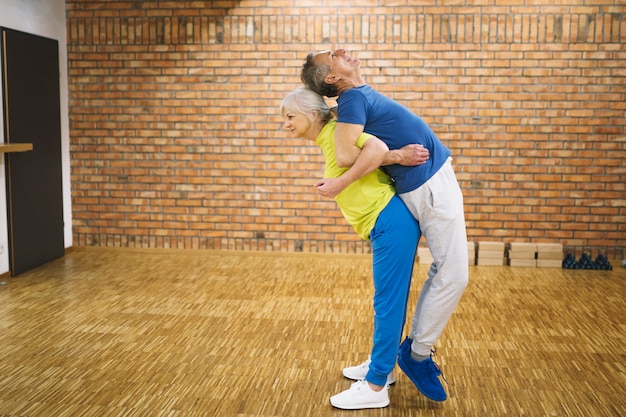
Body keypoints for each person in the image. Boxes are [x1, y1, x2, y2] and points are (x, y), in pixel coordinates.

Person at [301, 48, 469, 402]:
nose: (341, 50)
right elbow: (346, 153)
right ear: (332, 77)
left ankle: (394, 360)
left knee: (447, 272)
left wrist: (395, 155)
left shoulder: (355, 98)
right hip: (429, 186)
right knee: (454, 273)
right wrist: (396, 156)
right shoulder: (351, 100)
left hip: (431, 182)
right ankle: (417, 353)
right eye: (332, 54)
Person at [280, 87, 422, 410]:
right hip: (384, 224)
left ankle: (375, 386)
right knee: (389, 301)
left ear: (312, 115)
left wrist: (340, 184)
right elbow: (372, 155)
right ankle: (381, 367)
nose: (285, 124)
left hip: (390, 221)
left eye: (290, 117)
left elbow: (376, 147)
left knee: (387, 303)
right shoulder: (328, 138)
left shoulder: (334, 132)